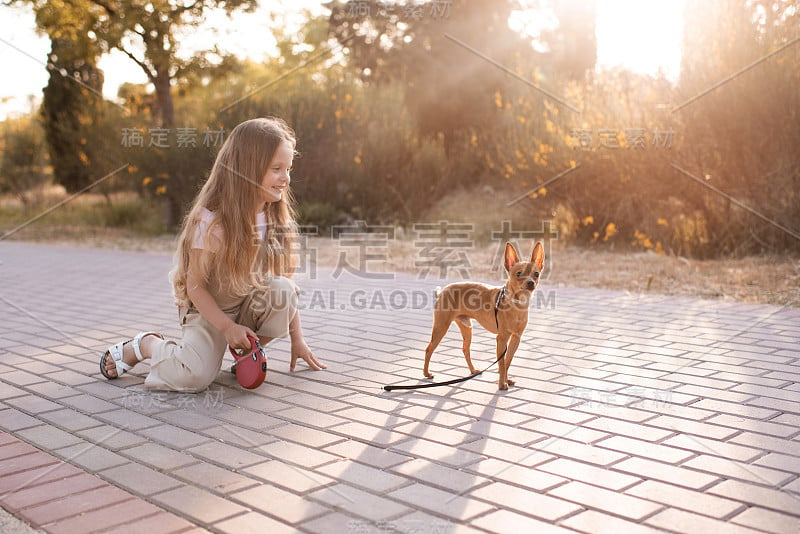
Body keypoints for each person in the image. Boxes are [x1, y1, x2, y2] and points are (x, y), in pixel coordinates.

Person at [100, 117, 326, 392]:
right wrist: (226, 328)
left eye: (288, 168)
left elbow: (284, 284)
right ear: (247, 169)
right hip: (206, 310)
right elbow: (195, 285)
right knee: (194, 377)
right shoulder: (211, 220)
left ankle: (243, 351)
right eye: (276, 168)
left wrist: (297, 339)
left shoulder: (275, 218)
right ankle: (146, 345)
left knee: (283, 289)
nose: (286, 178)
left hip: (245, 305)